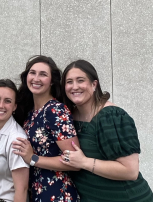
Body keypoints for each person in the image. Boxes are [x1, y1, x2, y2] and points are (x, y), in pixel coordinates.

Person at [60, 59, 153, 202]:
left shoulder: (111, 116)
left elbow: (131, 171)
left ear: (94, 84)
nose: (75, 86)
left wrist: (84, 162)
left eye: (80, 80)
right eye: (69, 82)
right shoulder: (70, 116)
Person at [12, 55, 80, 202]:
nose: (36, 78)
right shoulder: (30, 112)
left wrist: (33, 158)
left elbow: (74, 161)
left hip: (57, 193)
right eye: (33, 72)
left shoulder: (55, 110)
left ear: (51, 82)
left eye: (43, 74)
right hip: (37, 191)